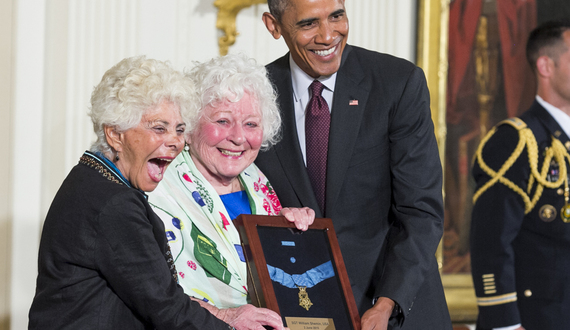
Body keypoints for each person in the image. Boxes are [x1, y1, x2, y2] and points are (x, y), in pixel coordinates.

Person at [28, 55, 271, 329]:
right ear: (115, 134)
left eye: (180, 129)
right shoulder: (113, 203)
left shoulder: (91, 178)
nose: (175, 142)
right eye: (159, 128)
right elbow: (167, 309)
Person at [254, 0, 452, 329]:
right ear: (273, 26)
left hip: (396, 311)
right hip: (304, 311)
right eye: (308, 24)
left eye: (337, 16)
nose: (328, 35)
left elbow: (421, 212)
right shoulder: (257, 93)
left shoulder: (397, 83)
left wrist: (386, 304)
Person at [148, 53, 314, 328]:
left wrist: (292, 233)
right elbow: (151, 293)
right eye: (223, 121)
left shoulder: (258, 181)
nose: (238, 137)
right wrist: (225, 317)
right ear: (189, 126)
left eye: (251, 124)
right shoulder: (159, 186)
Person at [470, 20, 570, 330]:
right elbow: (491, 243)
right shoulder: (515, 141)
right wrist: (505, 324)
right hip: (538, 319)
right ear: (546, 65)